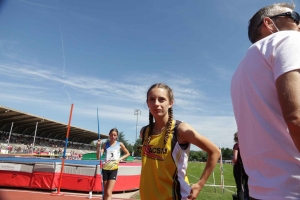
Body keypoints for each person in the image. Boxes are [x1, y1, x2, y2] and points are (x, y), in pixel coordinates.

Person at [231, 3, 300, 199]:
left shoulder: (240, 70)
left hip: (261, 191)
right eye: (294, 16)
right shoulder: (288, 38)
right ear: (269, 23)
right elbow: (296, 117)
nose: (299, 23)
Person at [139, 83, 220, 200]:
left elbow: (215, 151)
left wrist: (200, 184)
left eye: (162, 99)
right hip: (147, 195)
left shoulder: (181, 129)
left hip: (175, 196)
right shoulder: (144, 132)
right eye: (152, 99)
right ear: (147, 103)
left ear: (170, 103)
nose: (156, 103)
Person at [96, 128, 130, 200]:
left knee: (108, 192)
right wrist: (98, 146)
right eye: (111, 135)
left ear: (117, 136)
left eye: (115, 135)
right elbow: (98, 157)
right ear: (109, 135)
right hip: (105, 169)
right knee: (105, 192)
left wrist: (119, 159)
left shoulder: (120, 144)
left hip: (113, 169)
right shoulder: (105, 144)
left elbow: (128, 153)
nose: (113, 136)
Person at [232, 133, 248, 200]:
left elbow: (235, 158)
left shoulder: (237, 145)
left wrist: (233, 162)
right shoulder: (247, 145)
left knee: (240, 188)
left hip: (239, 168)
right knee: (247, 186)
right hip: (248, 168)